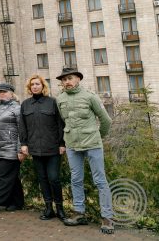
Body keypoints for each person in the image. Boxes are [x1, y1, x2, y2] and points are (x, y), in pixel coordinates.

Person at [55, 67, 114, 234]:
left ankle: (107, 217)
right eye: (64, 79)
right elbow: (63, 121)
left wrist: (97, 136)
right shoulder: (60, 99)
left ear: (78, 79)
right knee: (76, 179)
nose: (67, 82)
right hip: (72, 145)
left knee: (100, 180)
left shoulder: (90, 96)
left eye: (70, 78)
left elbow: (106, 120)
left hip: (92, 144)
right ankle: (79, 213)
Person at [19, 74, 66, 221]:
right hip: (35, 149)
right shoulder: (25, 105)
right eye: (32, 84)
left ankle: (60, 209)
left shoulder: (52, 102)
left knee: (54, 178)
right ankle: (48, 209)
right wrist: (24, 144)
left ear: (43, 86)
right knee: (42, 179)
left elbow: (60, 125)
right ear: (29, 87)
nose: (35, 86)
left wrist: (62, 144)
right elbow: (23, 127)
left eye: (37, 84)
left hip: (52, 148)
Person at [0, 83, 25, 214]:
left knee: (3, 177)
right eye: (0, 92)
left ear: (11, 93)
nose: (2, 94)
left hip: (11, 148)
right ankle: (17, 202)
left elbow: (22, 130)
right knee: (12, 177)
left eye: (4, 92)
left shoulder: (17, 108)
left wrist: (20, 149)